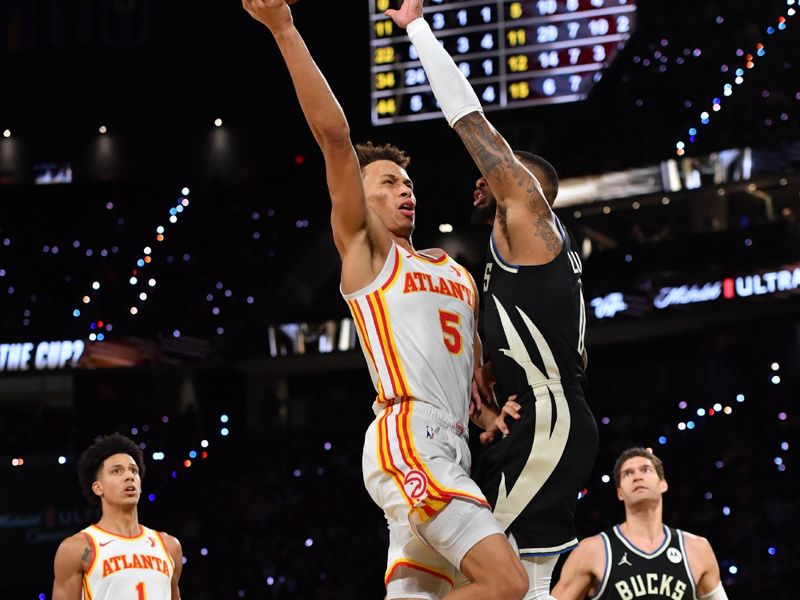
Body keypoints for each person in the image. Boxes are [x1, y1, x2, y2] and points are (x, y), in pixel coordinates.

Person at [241, 2, 528, 598]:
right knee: (506, 584)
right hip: (408, 437)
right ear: (362, 202)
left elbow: (470, 379)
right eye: (389, 184)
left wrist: (488, 416)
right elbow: (333, 138)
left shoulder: (457, 271)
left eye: (409, 184)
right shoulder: (370, 255)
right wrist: (285, 29)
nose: (405, 192)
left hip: (451, 446)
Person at [386, 3, 598, 598]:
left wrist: (418, 32)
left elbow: (470, 121)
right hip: (542, 419)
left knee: (501, 572)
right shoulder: (525, 261)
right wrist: (501, 396)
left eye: (497, 174)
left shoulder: (530, 213)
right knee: (514, 568)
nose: (479, 177)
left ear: (526, 188)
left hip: (548, 423)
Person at [551, 448, 728, 599]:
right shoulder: (592, 551)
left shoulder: (697, 549)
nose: (637, 477)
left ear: (663, 484)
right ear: (620, 493)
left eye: (646, 470)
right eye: (628, 473)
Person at [52, 433, 182, 600]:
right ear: (98, 488)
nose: (129, 476)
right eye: (116, 471)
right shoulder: (76, 549)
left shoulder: (169, 546)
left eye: (133, 471)